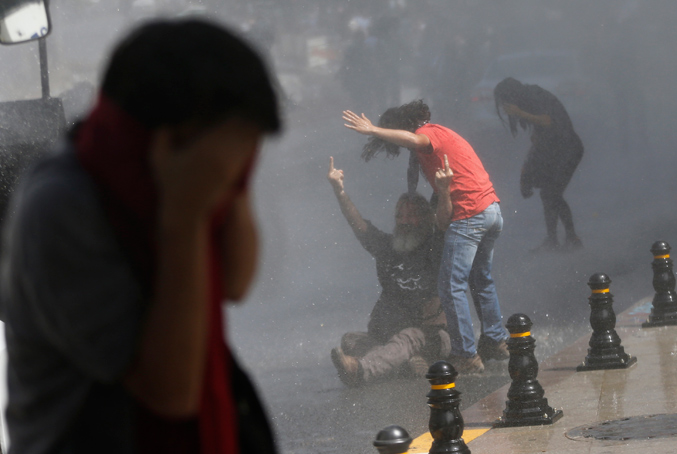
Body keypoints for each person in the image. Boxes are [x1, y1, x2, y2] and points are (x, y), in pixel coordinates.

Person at [0, 19, 280, 454]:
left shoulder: (164, 177)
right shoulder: (64, 207)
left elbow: (235, 281)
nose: (233, 178)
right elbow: (169, 391)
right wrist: (185, 218)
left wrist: (229, 184)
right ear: (171, 140)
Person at [342, 100, 508, 375]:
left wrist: (373, 129)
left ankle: (466, 354)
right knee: (480, 279)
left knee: (451, 286)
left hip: (470, 214)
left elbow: (413, 138)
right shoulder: (441, 138)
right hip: (491, 211)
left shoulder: (429, 133)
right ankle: (494, 340)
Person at [327, 157, 449, 386]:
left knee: (407, 338)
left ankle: (361, 370)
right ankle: (407, 364)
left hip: (433, 335)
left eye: (412, 215)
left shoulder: (435, 247)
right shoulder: (388, 247)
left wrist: (444, 192)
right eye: (400, 216)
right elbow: (359, 225)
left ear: (425, 218)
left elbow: (444, 222)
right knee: (350, 341)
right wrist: (339, 191)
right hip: (392, 333)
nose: (405, 221)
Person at [494, 77, 584, 252]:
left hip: (569, 149)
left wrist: (519, 112)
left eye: (504, 101)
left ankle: (571, 238)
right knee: (548, 194)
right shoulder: (528, 98)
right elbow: (540, 132)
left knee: (551, 193)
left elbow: (548, 120)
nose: (504, 107)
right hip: (556, 150)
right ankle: (555, 240)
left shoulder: (533, 95)